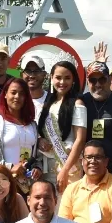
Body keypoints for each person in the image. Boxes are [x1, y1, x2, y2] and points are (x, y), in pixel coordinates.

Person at [0, 78, 43, 189]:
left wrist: (37, 168)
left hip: (25, 186)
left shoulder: (32, 125)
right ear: (5, 94)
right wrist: (9, 167)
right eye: (13, 92)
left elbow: (36, 157)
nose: (17, 97)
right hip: (0, 185)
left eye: (22, 94)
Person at [37, 61, 88, 192]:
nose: (62, 82)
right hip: (47, 166)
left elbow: (80, 139)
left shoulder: (78, 103)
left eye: (67, 78)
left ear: (73, 80)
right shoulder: (48, 103)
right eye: (58, 77)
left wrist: (65, 170)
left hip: (70, 167)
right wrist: (40, 140)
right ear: (51, 78)